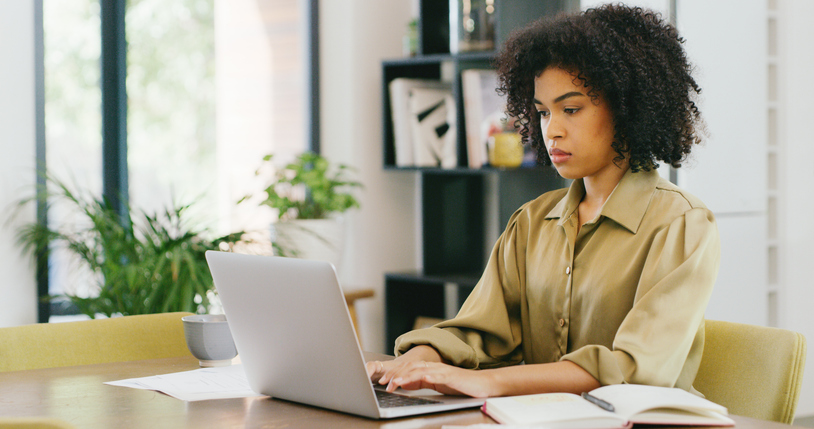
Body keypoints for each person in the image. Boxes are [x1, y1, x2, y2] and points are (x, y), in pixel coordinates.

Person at [367, 4, 720, 398]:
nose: (552, 130)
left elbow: (635, 369)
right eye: (542, 112)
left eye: (571, 109)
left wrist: (489, 382)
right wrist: (419, 356)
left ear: (626, 108)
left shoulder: (681, 224)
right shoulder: (531, 222)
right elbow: (482, 329)